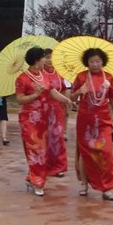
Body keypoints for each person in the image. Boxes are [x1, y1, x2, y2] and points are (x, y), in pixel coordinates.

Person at [15, 47, 72, 197]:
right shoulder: (22, 78)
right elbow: (20, 99)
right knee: (36, 150)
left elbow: (53, 92)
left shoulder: (44, 75)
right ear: (36, 60)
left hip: (45, 118)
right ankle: (37, 182)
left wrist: (66, 100)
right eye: (43, 58)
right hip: (30, 120)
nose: (45, 60)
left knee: (44, 150)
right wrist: (35, 95)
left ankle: (31, 177)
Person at [70, 48, 113, 201]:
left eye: (98, 61)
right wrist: (80, 91)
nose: (95, 64)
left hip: (104, 121)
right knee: (85, 153)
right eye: (92, 61)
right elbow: (71, 97)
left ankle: (107, 188)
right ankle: (84, 184)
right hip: (85, 121)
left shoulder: (109, 77)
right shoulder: (81, 77)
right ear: (87, 62)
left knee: (106, 152)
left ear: (103, 61)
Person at [43, 48, 68, 177]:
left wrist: (66, 103)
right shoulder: (39, 74)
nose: (49, 60)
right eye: (47, 57)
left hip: (57, 109)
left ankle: (58, 166)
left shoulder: (59, 74)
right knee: (44, 138)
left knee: (57, 138)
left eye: (51, 57)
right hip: (43, 110)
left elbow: (63, 89)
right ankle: (44, 165)